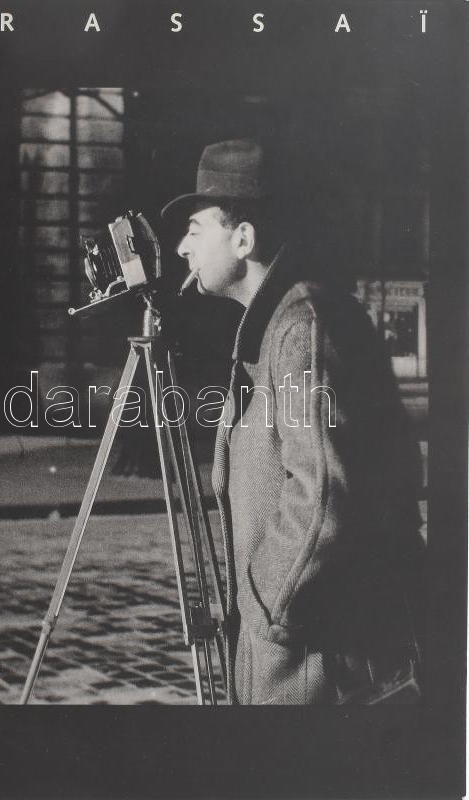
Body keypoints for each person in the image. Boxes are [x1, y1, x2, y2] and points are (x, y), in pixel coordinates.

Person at [162, 140, 425, 705]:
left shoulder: (303, 327)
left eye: (195, 229)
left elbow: (323, 492)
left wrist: (264, 607)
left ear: (244, 239)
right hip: (297, 650)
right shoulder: (281, 323)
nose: (182, 247)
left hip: (311, 664)